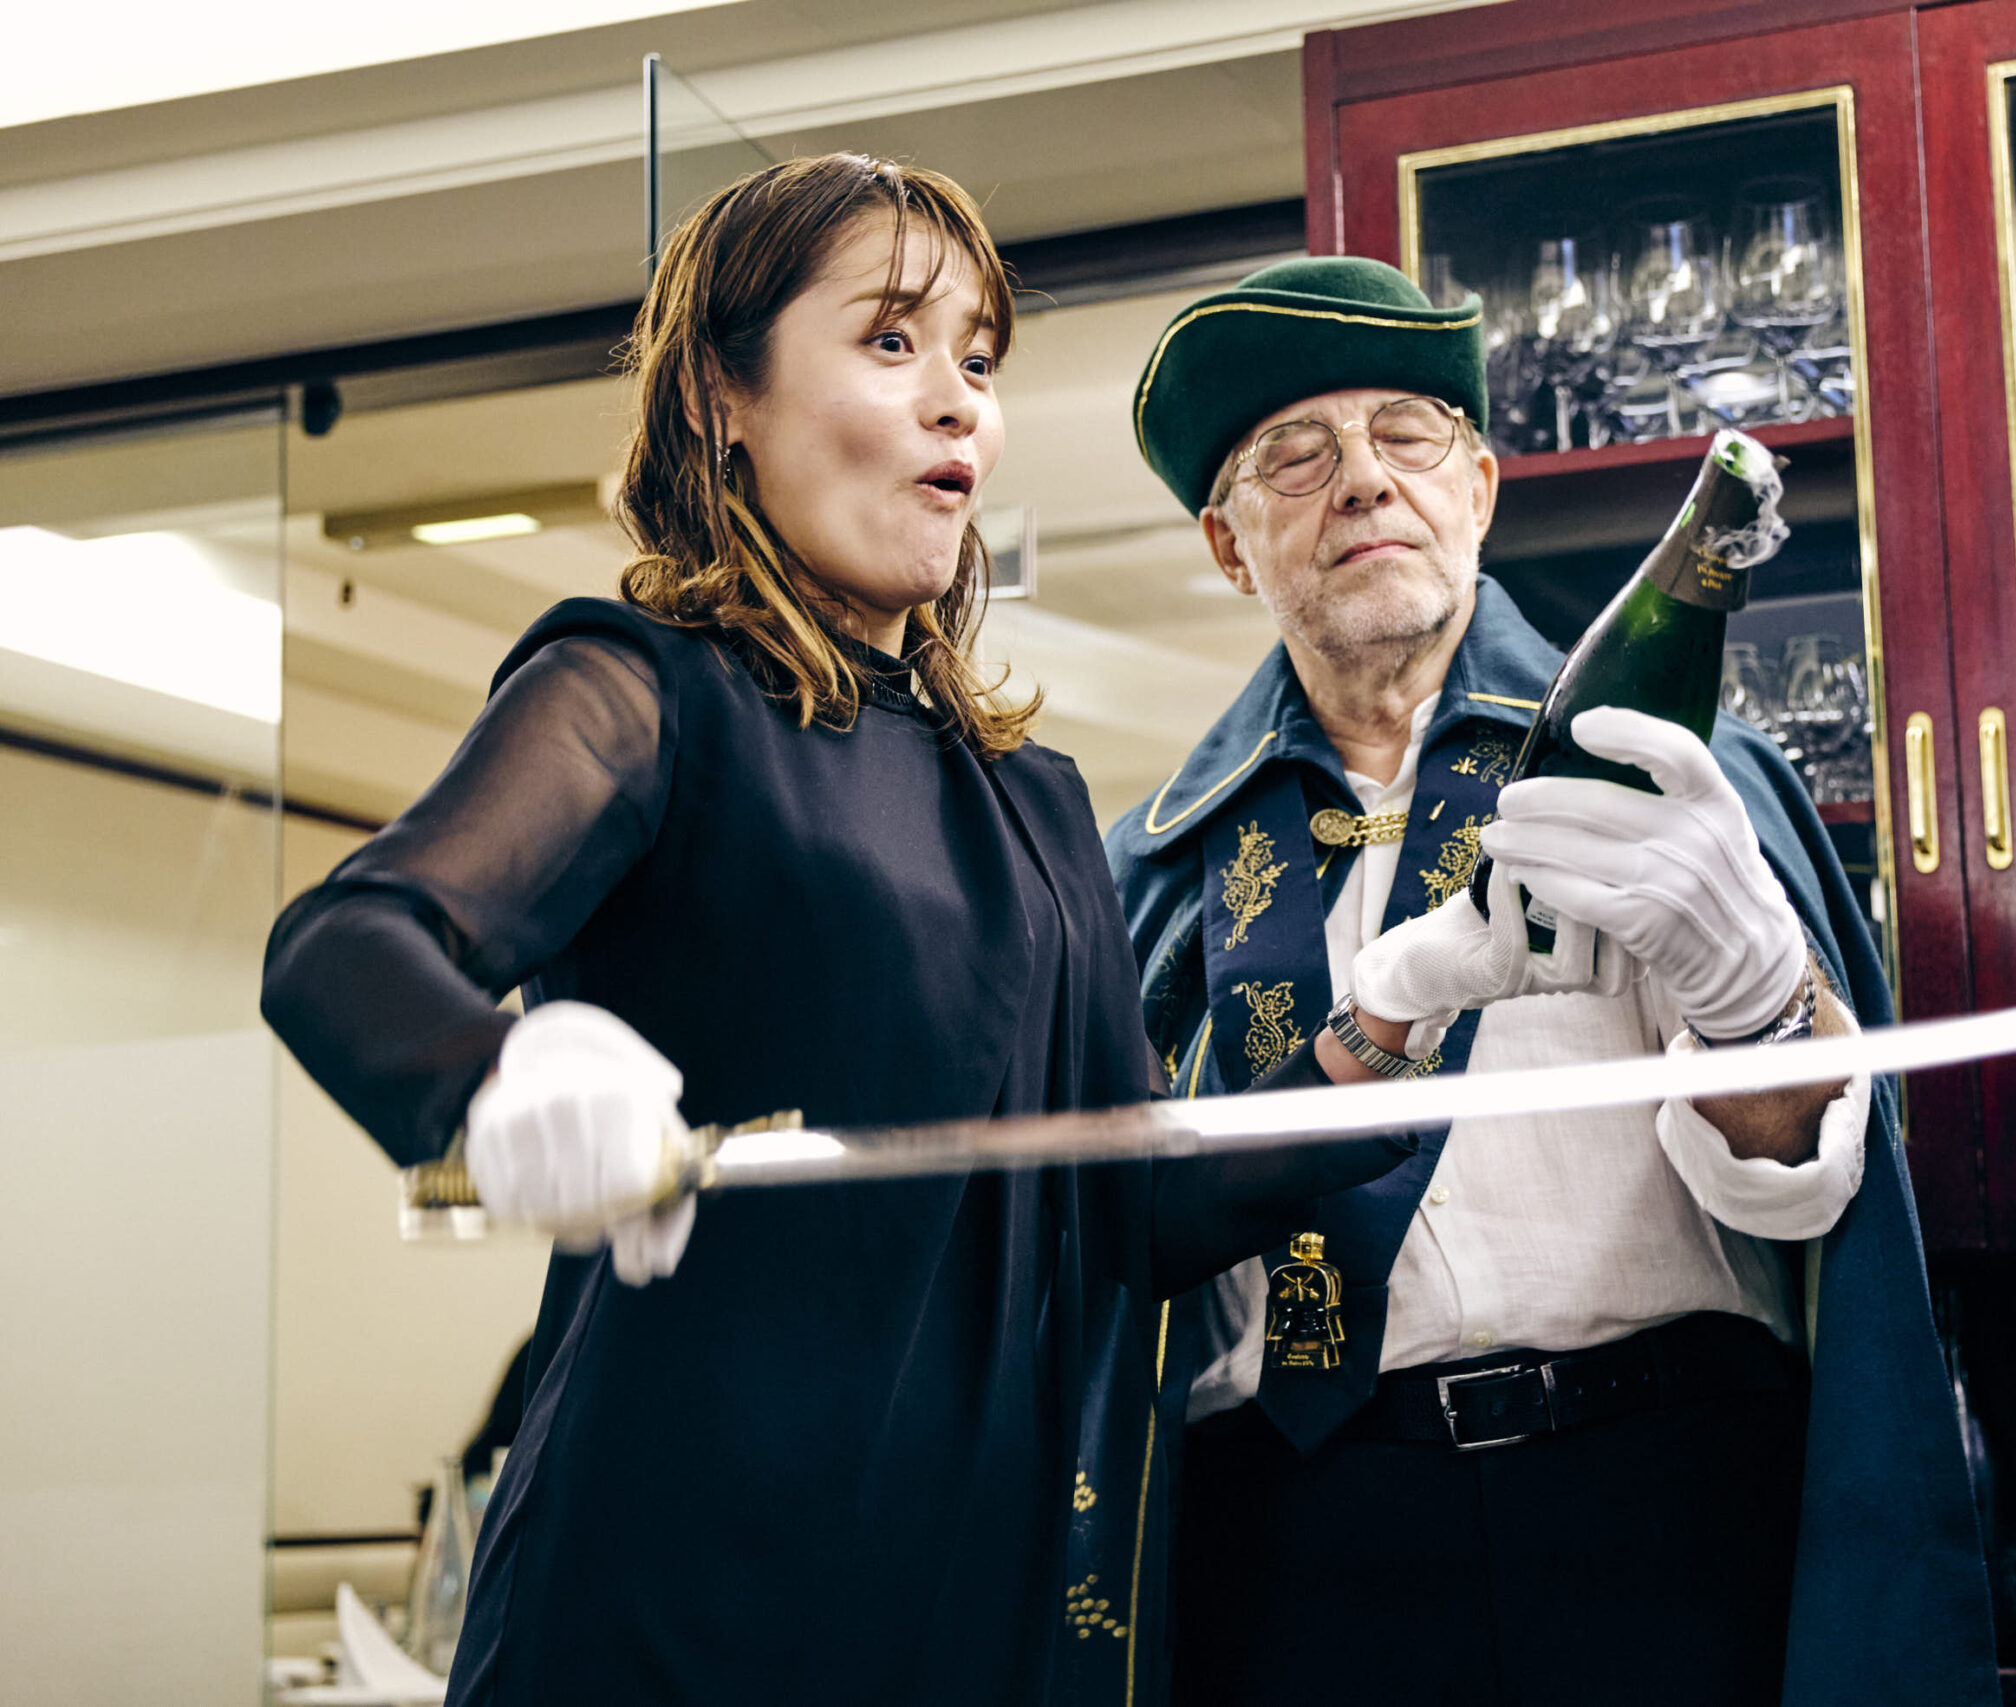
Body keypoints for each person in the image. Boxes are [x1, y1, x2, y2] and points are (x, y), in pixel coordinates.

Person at [260, 160, 1442, 1707]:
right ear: (720, 400)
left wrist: (1386, 1023)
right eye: (891, 341)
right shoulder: (650, 689)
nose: (959, 403)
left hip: (964, 1601)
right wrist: (495, 1072)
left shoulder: (1031, 797)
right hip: (673, 1592)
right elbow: (343, 944)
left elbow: (1134, 1204)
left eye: (977, 358)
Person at [1104, 256, 2002, 1706]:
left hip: (1660, 1511)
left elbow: (1806, 1192)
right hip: (1296, 1559)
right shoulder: (1142, 870)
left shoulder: (1674, 770)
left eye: (1407, 435)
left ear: (1479, 487)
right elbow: (1108, 1254)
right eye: (1295, 455)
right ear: (1228, 545)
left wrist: (1761, 1002)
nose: (1363, 481)